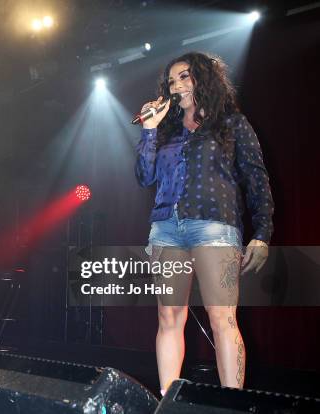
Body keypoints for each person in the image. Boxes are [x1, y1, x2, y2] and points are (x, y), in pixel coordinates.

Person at [135, 52, 274, 393]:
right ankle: (168, 399)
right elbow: (143, 176)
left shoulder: (231, 122)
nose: (177, 85)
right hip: (166, 228)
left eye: (184, 76)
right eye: (171, 81)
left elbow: (256, 177)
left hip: (214, 225)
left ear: (202, 79)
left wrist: (263, 232)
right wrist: (149, 131)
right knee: (169, 319)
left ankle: (231, 401)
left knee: (222, 317)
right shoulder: (164, 130)